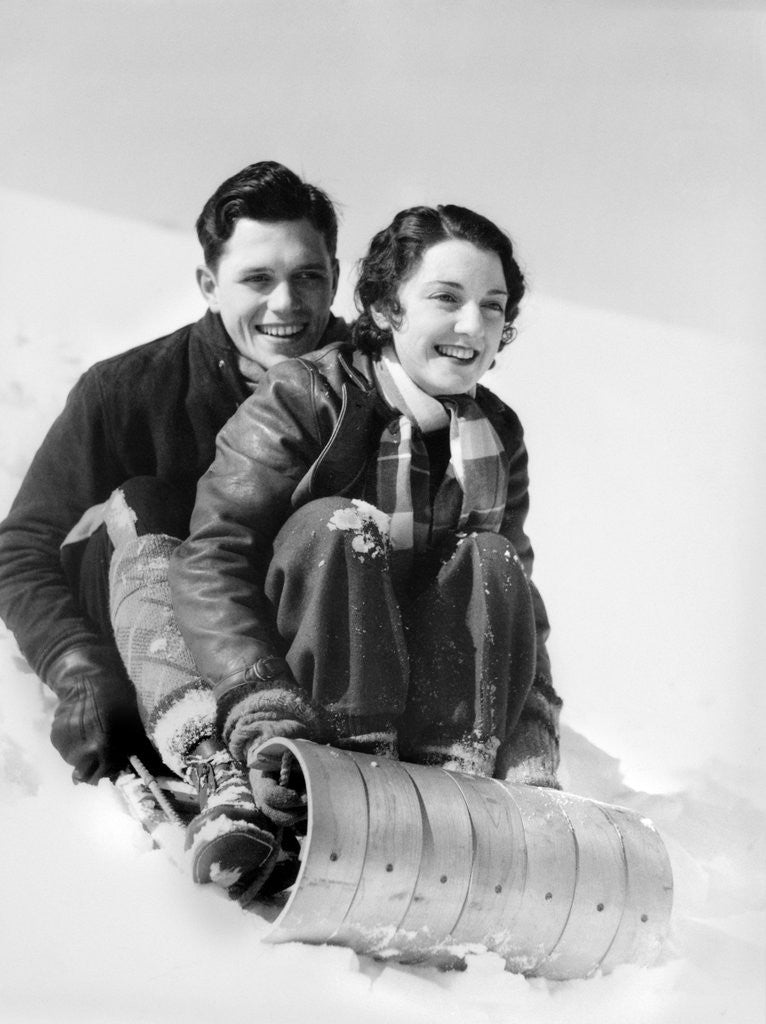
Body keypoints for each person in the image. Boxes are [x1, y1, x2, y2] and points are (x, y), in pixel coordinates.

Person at [106, 202, 562, 905]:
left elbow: (513, 606)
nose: (474, 326)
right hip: (303, 692)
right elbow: (217, 559)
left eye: (492, 306)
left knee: (492, 559)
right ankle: (322, 778)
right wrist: (264, 710)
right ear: (384, 307)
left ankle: (454, 784)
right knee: (338, 527)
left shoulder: (495, 436)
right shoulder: (307, 396)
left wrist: (531, 748)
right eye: (446, 298)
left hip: (421, 703)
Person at [0, 160, 347, 790]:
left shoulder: (373, 393)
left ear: (335, 279)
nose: (286, 303)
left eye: (307, 276)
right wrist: (76, 664)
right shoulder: (129, 390)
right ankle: (203, 749)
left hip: (296, 664)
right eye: (257, 278)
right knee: (147, 501)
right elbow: (21, 548)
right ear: (209, 284)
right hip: (154, 646)